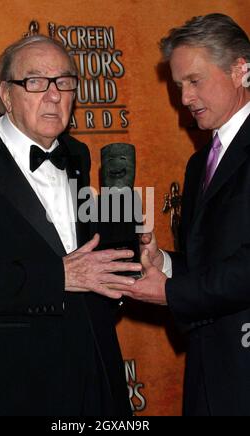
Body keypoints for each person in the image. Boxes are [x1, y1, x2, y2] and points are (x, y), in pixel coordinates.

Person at [0, 35, 142, 416]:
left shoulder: (78, 154)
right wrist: (56, 276)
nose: (54, 95)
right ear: (6, 94)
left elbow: (85, 257)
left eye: (65, 82)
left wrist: (122, 269)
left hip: (99, 375)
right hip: (18, 385)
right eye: (35, 82)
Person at [114, 13, 250, 416]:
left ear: (242, 69)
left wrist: (170, 293)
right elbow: (212, 263)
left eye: (195, 81)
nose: (185, 98)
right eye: (178, 86)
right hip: (210, 368)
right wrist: (167, 266)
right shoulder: (199, 164)